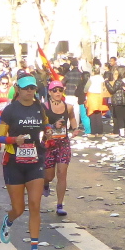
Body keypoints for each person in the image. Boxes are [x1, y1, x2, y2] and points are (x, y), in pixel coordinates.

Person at [0, 75, 50, 250]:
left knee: (35, 205)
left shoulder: (39, 107)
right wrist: (13, 140)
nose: (29, 91)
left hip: (35, 161)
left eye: (32, 88)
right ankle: (9, 220)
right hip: (14, 163)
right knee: (19, 208)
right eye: (26, 88)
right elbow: (0, 137)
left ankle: (34, 249)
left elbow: (46, 124)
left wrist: (49, 131)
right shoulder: (10, 110)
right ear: (18, 89)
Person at [43, 80, 81, 216]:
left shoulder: (68, 107)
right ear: (49, 92)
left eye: (60, 90)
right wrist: (52, 126)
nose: (58, 93)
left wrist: (75, 129)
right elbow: (39, 124)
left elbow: (72, 118)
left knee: (62, 173)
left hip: (63, 143)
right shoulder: (44, 107)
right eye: (55, 90)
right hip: (48, 143)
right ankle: (45, 183)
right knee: (49, 176)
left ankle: (60, 204)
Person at [85, 66, 108, 136]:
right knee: (98, 115)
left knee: (92, 115)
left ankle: (93, 132)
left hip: (92, 96)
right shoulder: (102, 79)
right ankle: (100, 132)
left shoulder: (91, 79)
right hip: (100, 97)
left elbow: (85, 89)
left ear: (93, 72)